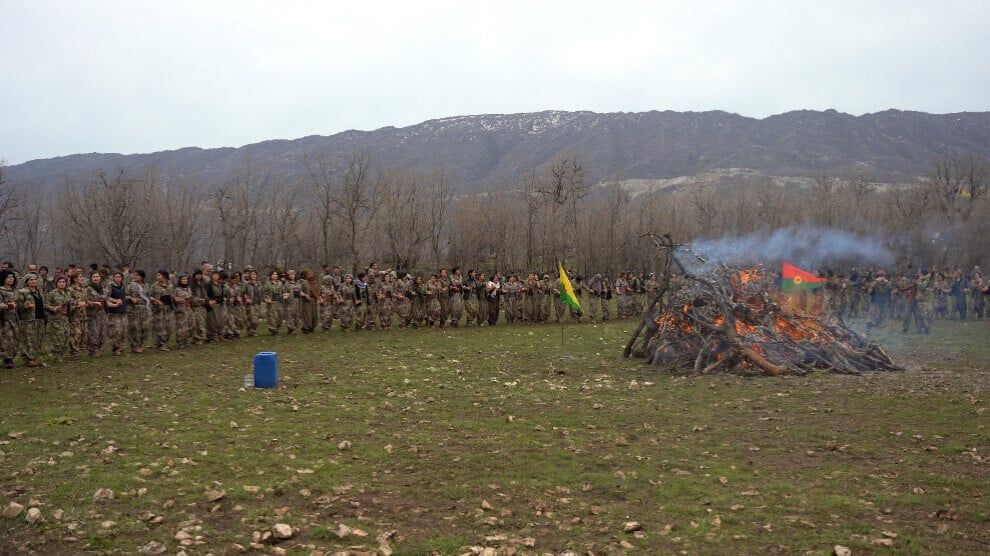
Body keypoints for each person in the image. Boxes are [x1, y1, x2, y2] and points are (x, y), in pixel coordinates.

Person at [45, 275, 73, 361]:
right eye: (60, 282)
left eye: (64, 282)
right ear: (56, 283)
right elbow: (46, 305)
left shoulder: (68, 292)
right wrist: (52, 308)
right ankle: (57, 355)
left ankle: (62, 353)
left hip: (65, 319)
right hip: (55, 319)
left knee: (66, 336)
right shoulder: (52, 293)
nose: (62, 284)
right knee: (57, 337)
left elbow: (70, 303)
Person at [147, 270, 174, 351]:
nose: (157, 277)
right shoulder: (154, 285)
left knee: (168, 327)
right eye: (157, 275)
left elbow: (173, 295)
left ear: (164, 276)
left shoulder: (170, 285)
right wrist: (156, 301)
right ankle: (161, 344)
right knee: (159, 327)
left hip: (168, 309)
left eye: (159, 275)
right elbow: (149, 295)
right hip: (158, 309)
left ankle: (164, 342)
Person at [126, 270, 152, 353]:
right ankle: (135, 346)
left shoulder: (146, 285)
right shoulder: (130, 285)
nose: (135, 276)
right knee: (135, 328)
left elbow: (148, 296)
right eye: (134, 275)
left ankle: (141, 344)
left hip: (145, 308)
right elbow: (125, 295)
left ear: (142, 276)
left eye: (137, 275)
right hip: (134, 309)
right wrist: (131, 299)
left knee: (145, 327)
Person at [1, 270, 21, 368]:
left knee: (16, 339)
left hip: (15, 318)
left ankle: (11, 357)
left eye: (12, 277)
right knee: (7, 339)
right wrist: (8, 305)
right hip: (4, 319)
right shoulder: (1, 290)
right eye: (9, 277)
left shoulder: (15, 290)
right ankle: (7, 359)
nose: (11, 279)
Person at [105, 271, 128, 356]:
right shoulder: (110, 287)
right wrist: (115, 301)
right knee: (116, 331)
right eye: (116, 277)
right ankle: (116, 348)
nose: (118, 279)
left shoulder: (123, 287)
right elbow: (106, 296)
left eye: (119, 277)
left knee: (123, 331)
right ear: (113, 278)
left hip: (123, 311)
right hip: (114, 312)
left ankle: (121, 346)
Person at [67, 272, 89, 358]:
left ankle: (80, 349)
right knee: (75, 333)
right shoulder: (70, 289)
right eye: (80, 277)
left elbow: (86, 300)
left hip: (83, 314)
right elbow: (68, 301)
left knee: (83, 333)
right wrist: (76, 303)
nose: (81, 278)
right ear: (75, 279)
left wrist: (86, 303)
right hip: (75, 315)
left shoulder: (83, 289)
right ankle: (73, 352)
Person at [172, 274, 193, 348]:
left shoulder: (189, 289)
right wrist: (177, 299)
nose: (185, 280)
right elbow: (174, 299)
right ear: (180, 281)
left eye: (186, 279)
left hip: (189, 310)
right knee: (181, 327)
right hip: (181, 311)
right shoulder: (177, 289)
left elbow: (190, 298)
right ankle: (180, 343)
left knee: (190, 326)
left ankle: (188, 342)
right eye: (183, 279)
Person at [263, 270, 287, 336]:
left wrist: (285, 295)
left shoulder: (280, 283)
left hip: (279, 302)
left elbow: (283, 291)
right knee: (272, 316)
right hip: (272, 302)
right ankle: (273, 329)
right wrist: (267, 299)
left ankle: (277, 328)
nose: (275, 275)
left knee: (280, 316)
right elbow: (264, 293)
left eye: (276, 274)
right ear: (271, 276)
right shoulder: (268, 284)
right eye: (273, 274)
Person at [243, 270, 262, 336]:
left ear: (256, 275)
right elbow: (243, 293)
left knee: (256, 319)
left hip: (258, 303)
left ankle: (253, 330)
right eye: (252, 274)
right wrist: (246, 298)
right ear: (250, 276)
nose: (253, 275)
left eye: (254, 274)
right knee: (251, 318)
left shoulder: (259, 284)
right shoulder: (247, 284)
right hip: (250, 304)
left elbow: (262, 292)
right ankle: (250, 331)